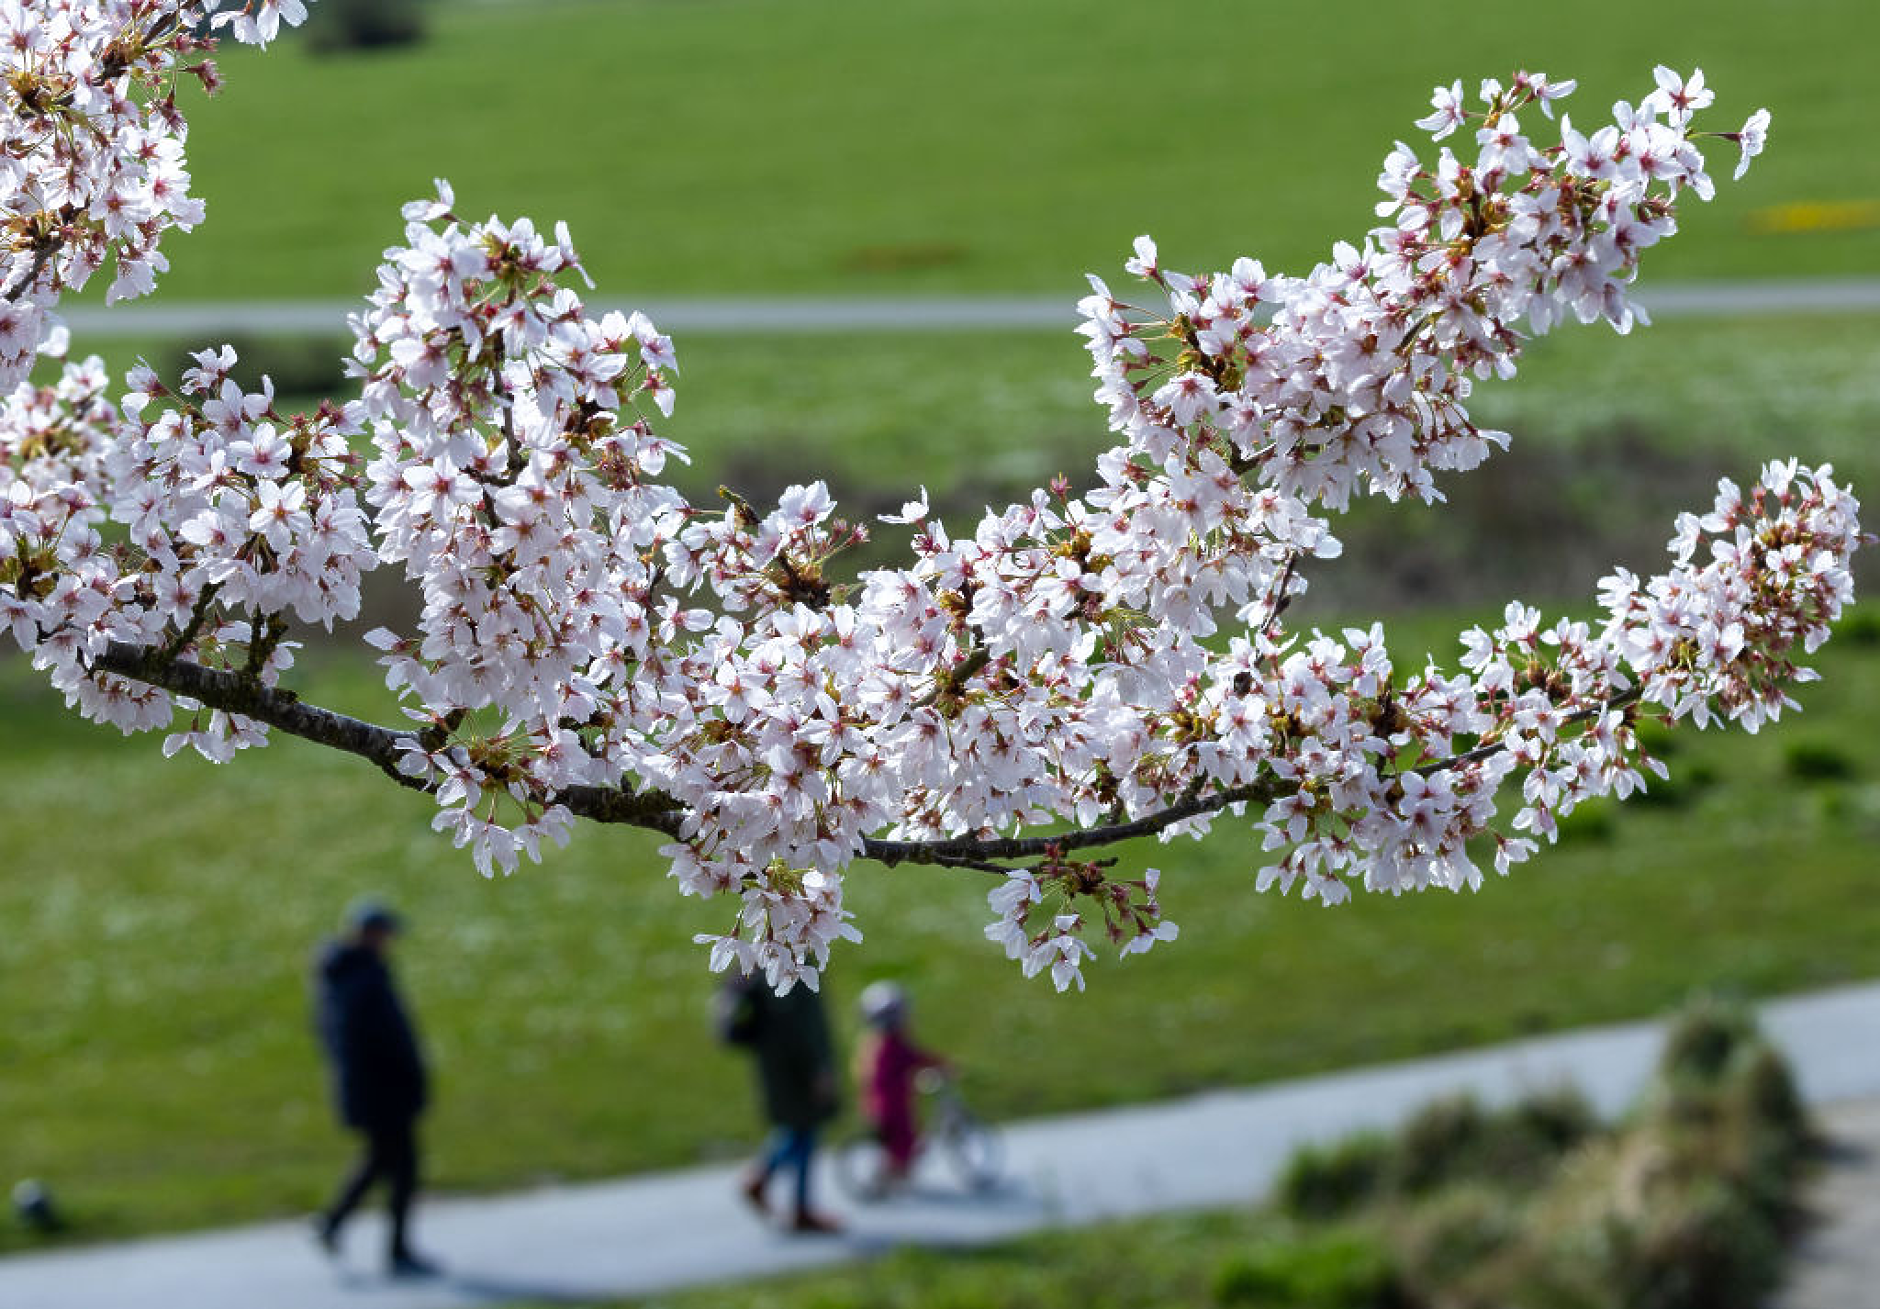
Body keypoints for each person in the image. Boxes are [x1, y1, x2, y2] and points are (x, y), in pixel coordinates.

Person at [310, 901, 438, 1277]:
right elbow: (376, 1039)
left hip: (377, 1088)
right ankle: (397, 1250)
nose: (389, 941)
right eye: (385, 933)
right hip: (380, 1090)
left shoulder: (352, 974)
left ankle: (334, 1224)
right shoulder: (360, 979)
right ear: (368, 934)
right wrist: (405, 1076)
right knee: (402, 1167)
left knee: (382, 1160)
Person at [734, 972, 842, 1233]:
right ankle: (796, 1205)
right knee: (805, 1129)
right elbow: (800, 1021)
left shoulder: (771, 960)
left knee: (799, 1130)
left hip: (782, 1063)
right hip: (795, 1069)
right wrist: (817, 1068)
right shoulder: (789, 960)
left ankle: (768, 1183)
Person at [854, 981, 948, 1185]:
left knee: (902, 1140)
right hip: (892, 1105)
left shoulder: (875, 1043)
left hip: (883, 1103)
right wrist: (942, 1064)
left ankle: (894, 1173)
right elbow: (916, 1058)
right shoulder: (892, 1045)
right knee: (903, 1142)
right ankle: (890, 1175)